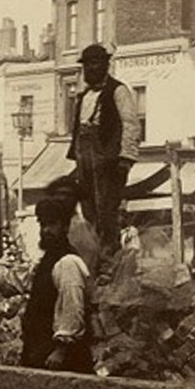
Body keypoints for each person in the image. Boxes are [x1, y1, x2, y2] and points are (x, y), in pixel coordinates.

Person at [66, 43, 139, 269]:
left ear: (106, 65)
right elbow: (78, 130)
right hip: (84, 156)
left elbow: (130, 125)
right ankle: (94, 259)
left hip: (107, 158)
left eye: (95, 64)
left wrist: (125, 158)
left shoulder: (118, 91)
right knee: (88, 210)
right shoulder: (85, 95)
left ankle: (109, 262)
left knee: (107, 210)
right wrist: (78, 160)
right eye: (86, 66)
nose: (90, 70)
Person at [21, 199, 94, 373]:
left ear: (65, 227)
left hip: (59, 358)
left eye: (52, 224)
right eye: (43, 224)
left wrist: (61, 350)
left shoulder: (68, 262)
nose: (46, 231)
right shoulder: (48, 259)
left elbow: (73, 305)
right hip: (41, 350)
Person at [44, 175, 100, 276]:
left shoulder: (82, 226)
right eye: (58, 194)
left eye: (67, 194)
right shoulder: (47, 227)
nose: (62, 198)